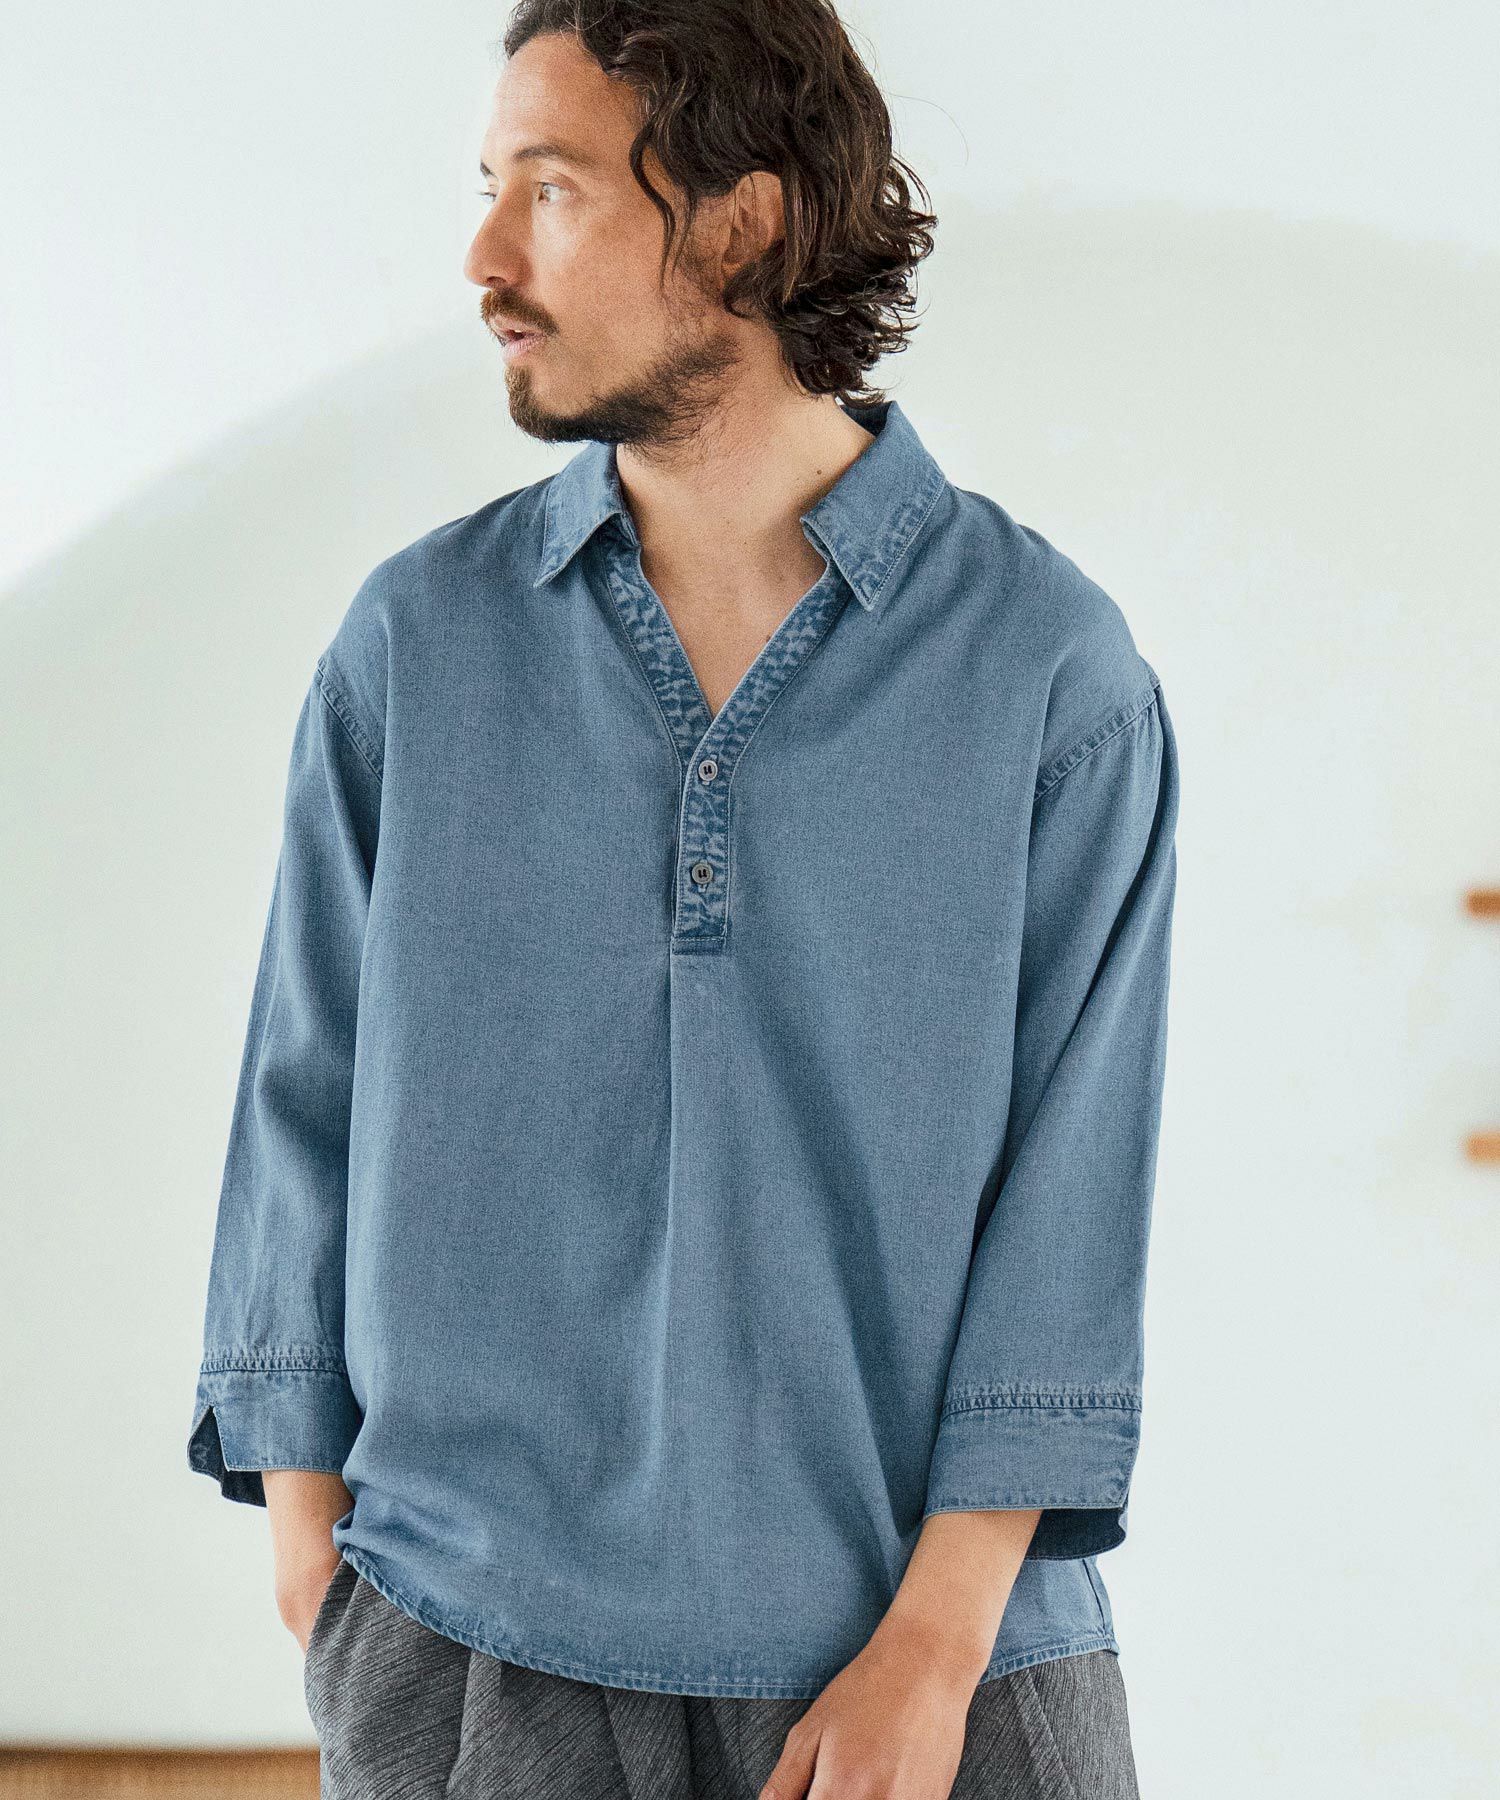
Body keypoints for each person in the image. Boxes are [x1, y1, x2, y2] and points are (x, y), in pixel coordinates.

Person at [187, 3, 1178, 1795]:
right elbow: (297, 1105)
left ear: (742, 221)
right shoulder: (418, 645)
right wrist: (322, 1568)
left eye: (553, 190)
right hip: (470, 1657)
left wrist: (937, 1648)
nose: (486, 260)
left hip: (931, 1679)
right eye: (488, 188)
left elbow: (1074, 1190)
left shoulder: (1048, 670)